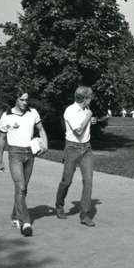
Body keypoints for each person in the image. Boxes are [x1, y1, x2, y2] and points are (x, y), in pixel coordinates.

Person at [0, 89, 48, 236]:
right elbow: (1, 139)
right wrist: (0, 159)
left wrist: (45, 143)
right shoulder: (6, 116)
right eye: (22, 100)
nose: (25, 103)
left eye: (27, 100)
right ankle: (26, 222)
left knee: (23, 189)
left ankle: (14, 215)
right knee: (20, 186)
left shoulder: (33, 113)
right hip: (14, 154)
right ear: (16, 99)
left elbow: (41, 129)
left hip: (30, 154)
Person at [54, 86, 97, 226]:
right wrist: (88, 117)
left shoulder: (86, 110)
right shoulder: (70, 110)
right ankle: (59, 205)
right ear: (85, 98)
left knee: (88, 181)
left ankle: (84, 215)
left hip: (86, 149)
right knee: (67, 181)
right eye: (90, 97)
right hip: (72, 148)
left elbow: (84, 127)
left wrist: (91, 121)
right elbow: (78, 130)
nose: (91, 100)